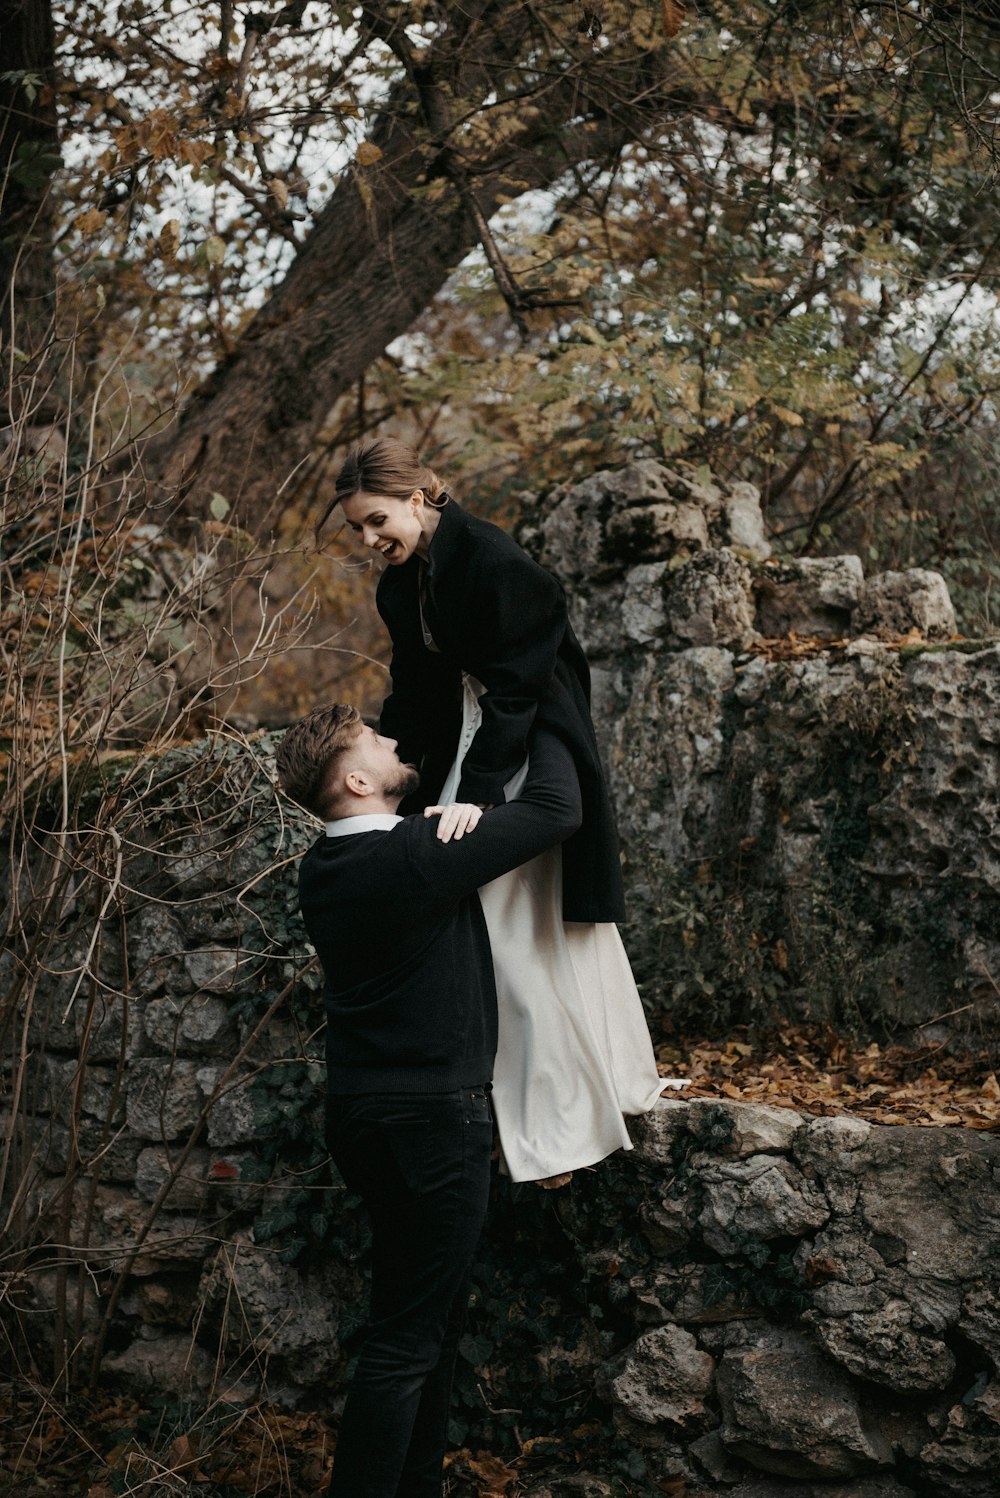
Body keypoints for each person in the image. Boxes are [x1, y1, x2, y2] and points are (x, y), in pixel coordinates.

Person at [323, 437, 683, 1186]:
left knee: (512, 912)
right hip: (466, 737)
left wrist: (479, 798)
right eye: (357, 527)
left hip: (529, 732)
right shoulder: (398, 584)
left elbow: (520, 687)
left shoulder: (493, 559)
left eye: (377, 519)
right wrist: (405, 779)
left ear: (419, 499)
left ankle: (560, 1124)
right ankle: (517, 1113)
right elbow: (415, 690)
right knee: (490, 924)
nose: (368, 540)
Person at [275, 704, 582, 1498]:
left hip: (363, 1117)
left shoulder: (322, 869)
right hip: (432, 1124)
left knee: (429, 1323)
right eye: (377, 743)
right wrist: (546, 714)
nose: (394, 742)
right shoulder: (415, 855)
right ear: (356, 780)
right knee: (408, 1338)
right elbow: (556, 809)